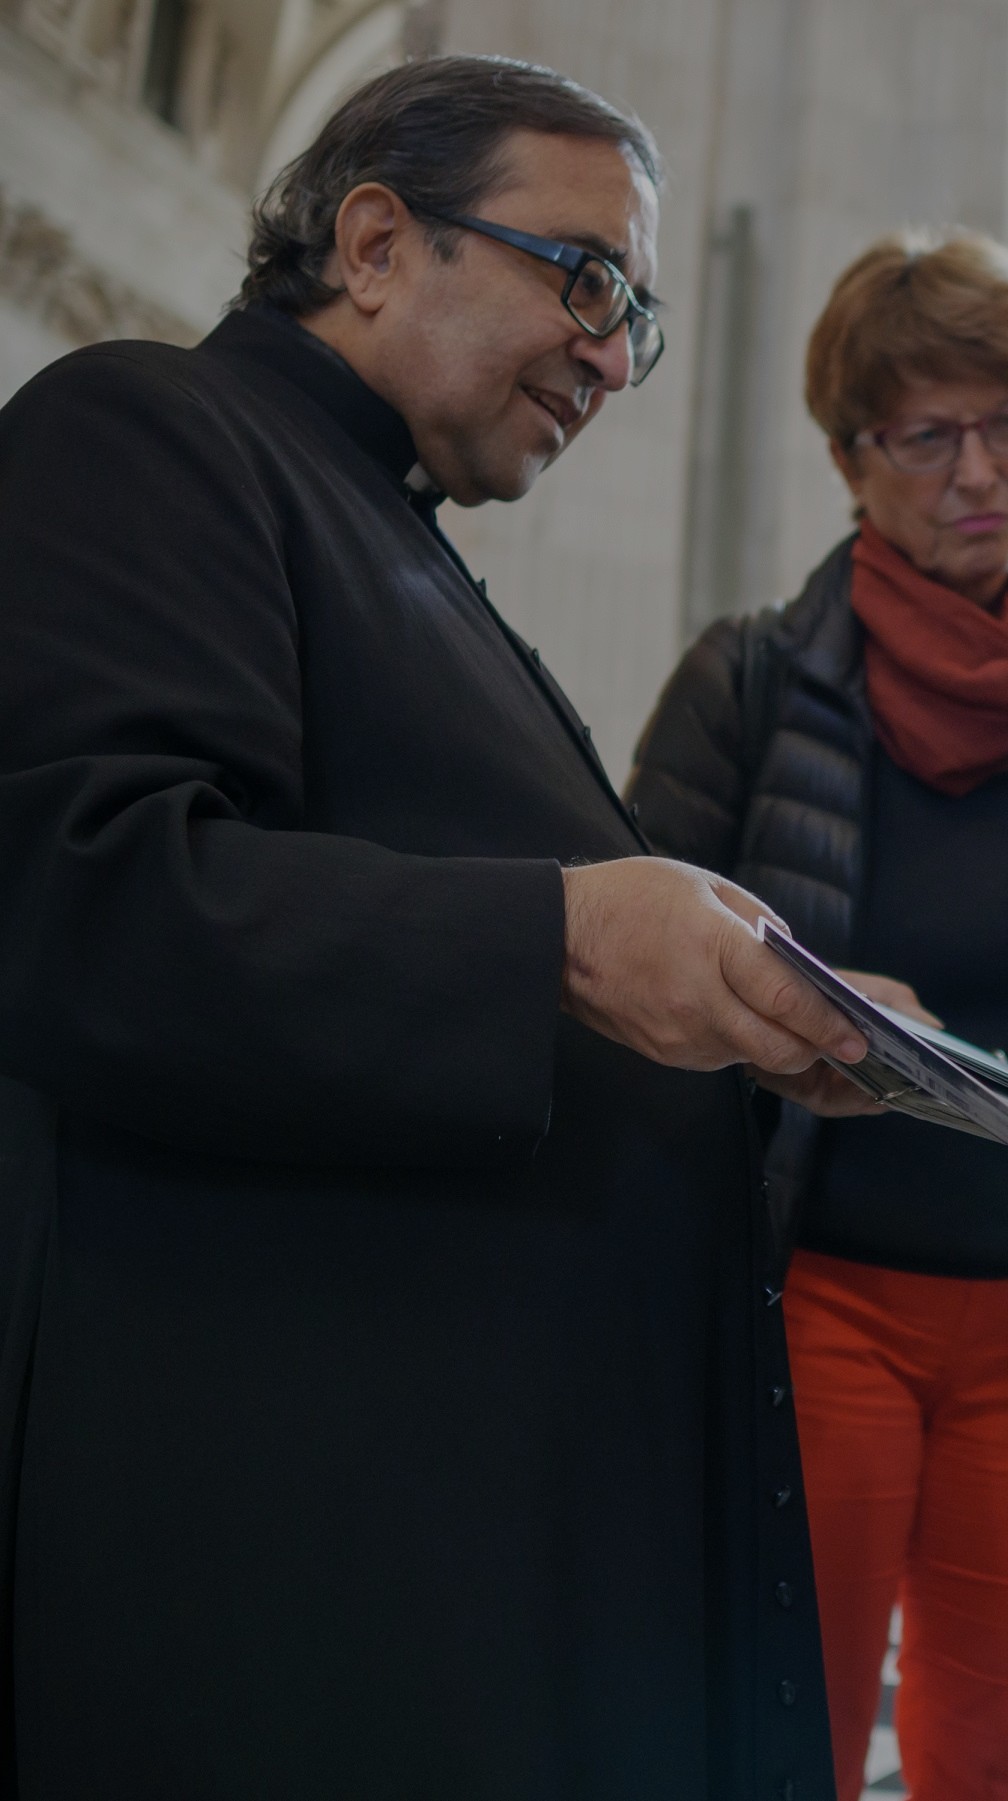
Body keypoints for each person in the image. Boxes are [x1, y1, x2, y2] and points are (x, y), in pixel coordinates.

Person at [0, 56, 881, 1800]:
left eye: (638, 312)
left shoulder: (395, 536)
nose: (616, 357)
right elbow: (93, 894)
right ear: (380, 241)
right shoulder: (146, 428)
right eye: (586, 279)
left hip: (456, 1546)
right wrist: (560, 935)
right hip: (284, 1558)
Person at [625, 228, 1008, 1801]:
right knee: (783, 1744)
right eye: (928, 434)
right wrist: (790, 1012)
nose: (981, 469)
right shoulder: (752, 686)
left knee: (988, 1759)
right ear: (849, 459)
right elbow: (620, 980)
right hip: (821, 1303)